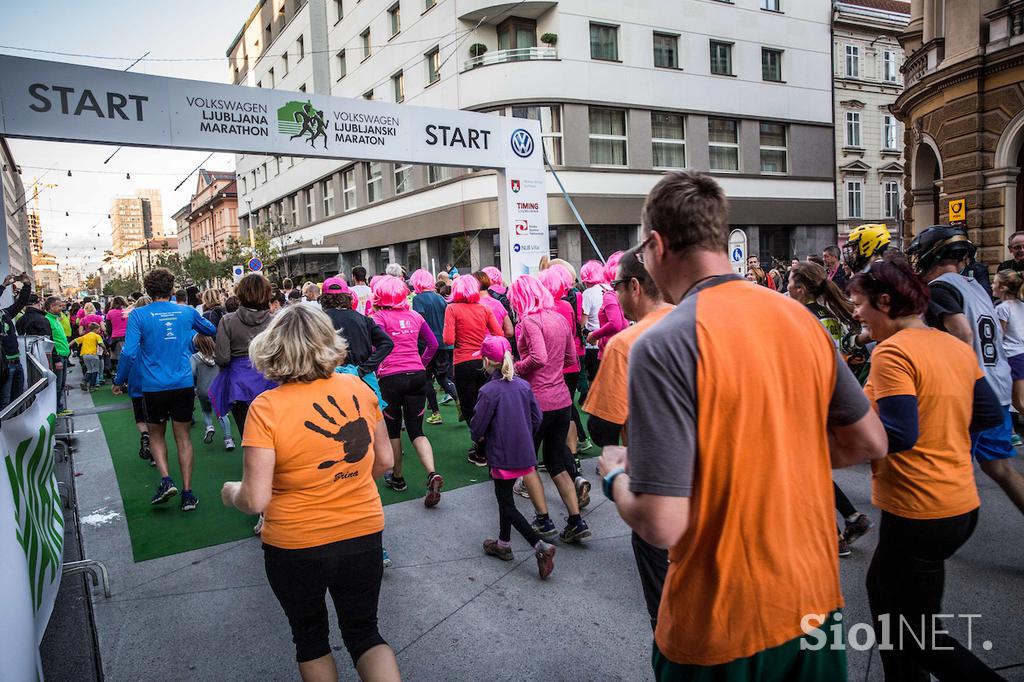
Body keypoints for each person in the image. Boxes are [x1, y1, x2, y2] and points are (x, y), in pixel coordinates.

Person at [598, 171, 886, 679]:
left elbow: (662, 522)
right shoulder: (799, 319)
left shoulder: (662, 343)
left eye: (643, 251)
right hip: (814, 604)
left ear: (658, 245)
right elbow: (868, 439)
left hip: (721, 625)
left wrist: (615, 477)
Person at [220, 304, 400, 682]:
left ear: (273, 348)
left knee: (310, 638)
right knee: (365, 633)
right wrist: (345, 479)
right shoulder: (359, 388)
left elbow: (255, 498)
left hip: (295, 544)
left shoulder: (266, 408)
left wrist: (230, 492)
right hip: (362, 531)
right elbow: (384, 460)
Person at [849, 255, 1005, 681]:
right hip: (959, 506)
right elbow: (989, 414)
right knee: (887, 601)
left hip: (920, 510)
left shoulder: (893, 351)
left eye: (860, 304)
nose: (856, 313)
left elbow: (898, 435)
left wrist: (841, 445)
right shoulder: (953, 346)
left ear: (885, 302)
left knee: (915, 633)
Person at [582, 248, 673, 630]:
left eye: (617, 286)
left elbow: (602, 428)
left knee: (667, 606)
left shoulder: (626, 343)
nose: (615, 294)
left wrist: (614, 472)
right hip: (719, 483)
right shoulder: (703, 323)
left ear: (635, 286)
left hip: (657, 484)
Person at [908, 225, 1024, 516]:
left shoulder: (938, 289)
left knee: (943, 472)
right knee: (999, 468)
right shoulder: (975, 288)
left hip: (970, 395)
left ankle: (936, 532)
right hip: (997, 392)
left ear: (928, 255)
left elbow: (962, 334)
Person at [787, 261, 875, 556]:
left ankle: (834, 535)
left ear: (800, 288)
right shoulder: (831, 315)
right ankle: (852, 518)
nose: (787, 287)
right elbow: (851, 347)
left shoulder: (800, 316)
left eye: (789, 281)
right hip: (831, 396)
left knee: (803, 471)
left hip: (807, 400)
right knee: (812, 468)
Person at [113, 268, 217, 511]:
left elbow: (128, 352)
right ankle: (188, 493)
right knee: (183, 438)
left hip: (153, 386)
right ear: (171, 288)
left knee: (157, 435)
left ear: (148, 290)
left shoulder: (138, 315)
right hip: (182, 382)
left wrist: (119, 380)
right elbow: (211, 330)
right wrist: (186, 328)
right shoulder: (187, 311)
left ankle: (167, 480)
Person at [510, 274, 591, 543]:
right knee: (556, 462)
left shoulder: (529, 321)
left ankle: (543, 519)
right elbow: (570, 358)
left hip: (538, 401)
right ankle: (575, 520)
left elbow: (538, 357)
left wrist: (515, 367)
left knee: (528, 461)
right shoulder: (559, 318)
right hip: (562, 400)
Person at [469, 335, 557, 578]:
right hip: (524, 450)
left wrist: (478, 438)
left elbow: (478, 426)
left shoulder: (489, 390)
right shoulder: (523, 385)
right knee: (504, 498)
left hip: (501, 452)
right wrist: (524, 435)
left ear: (487, 361)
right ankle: (503, 543)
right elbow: (537, 417)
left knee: (506, 503)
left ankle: (539, 545)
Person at [370, 276, 443, 507]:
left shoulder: (377, 318)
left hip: (390, 378)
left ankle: (398, 477)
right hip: (417, 376)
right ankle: (432, 473)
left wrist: (378, 365)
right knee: (417, 430)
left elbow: (374, 347)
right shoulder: (415, 316)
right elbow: (433, 344)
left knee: (393, 430)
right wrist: (420, 362)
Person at [443, 275, 502, 466]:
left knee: (469, 408)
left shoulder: (452, 308)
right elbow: (499, 334)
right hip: (485, 361)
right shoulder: (484, 308)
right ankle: (487, 444)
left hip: (463, 362)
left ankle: (481, 445)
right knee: (486, 404)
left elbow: (448, 340)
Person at [212, 273, 277, 436]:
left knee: (248, 435)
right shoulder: (275, 321)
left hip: (239, 384)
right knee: (274, 433)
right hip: (270, 380)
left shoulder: (227, 321)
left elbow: (222, 358)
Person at [410, 269, 458, 425]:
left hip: (427, 345)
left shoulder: (418, 299)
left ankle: (436, 413)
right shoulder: (440, 299)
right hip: (443, 343)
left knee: (427, 379)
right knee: (443, 377)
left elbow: (419, 321)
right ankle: (459, 400)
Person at [994, 269, 1024, 446]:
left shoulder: (1002, 308)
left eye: (995, 283)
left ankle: (1010, 433)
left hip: (1011, 356)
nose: (992, 285)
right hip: (1021, 354)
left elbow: (999, 336)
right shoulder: (1021, 305)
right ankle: (1011, 433)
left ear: (1003, 287)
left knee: (1018, 401)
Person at [192, 332, 234, 451]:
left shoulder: (195, 358)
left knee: (206, 411)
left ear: (196, 345)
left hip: (202, 390)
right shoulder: (219, 357)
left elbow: (192, 373)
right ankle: (228, 440)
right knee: (222, 414)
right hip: (217, 390)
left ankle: (209, 427)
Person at [587, 252, 629, 359]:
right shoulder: (629, 294)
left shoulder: (609, 295)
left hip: (611, 350)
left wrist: (594, 335)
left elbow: (615, 324)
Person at [0, 273, 32, 410]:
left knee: (18, 401)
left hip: (16, 362)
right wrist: (3, 286)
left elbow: (21, 303)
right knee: (5, 403)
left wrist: (26, 285)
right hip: (3, 366)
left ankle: (16, 428)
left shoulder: (5, 314)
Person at [579, 260, 605, 400]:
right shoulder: (608, 289)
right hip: (609, 340)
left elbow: (583, 321)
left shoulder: (588, 293)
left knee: (593, 378)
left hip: (592, 341)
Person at [473, 271, 514, 340]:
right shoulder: (498, 304)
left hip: (477, 346)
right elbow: (509, 332)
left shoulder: (471, 304)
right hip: (497, 346)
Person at [71, 322, 105, 391]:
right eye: (99, 330)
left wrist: (67, 346)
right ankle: (92, 386)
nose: (99, 331)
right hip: (93, 355)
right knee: (95, 370)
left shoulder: (85, 336)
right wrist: (106, 351)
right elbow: (102, 344)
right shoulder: (97, 336)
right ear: (95, 330)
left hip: (84, 355)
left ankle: (84, 381)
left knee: (89, 370)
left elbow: (74, 340)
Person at [106, 296, 129, 379]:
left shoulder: (110, 313)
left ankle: (119, 379)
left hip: (116, 338)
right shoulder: (128, 312)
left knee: (118, 360)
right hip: (128, 337)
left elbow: (108, 328)